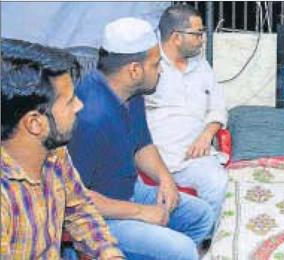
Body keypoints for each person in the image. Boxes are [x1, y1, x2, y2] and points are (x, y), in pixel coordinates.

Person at [67, 17, 214, 260]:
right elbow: (75, 199)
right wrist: (141, 212)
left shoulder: (131, 92)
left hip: (128, 190)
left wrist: (165, 179)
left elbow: (142, 145)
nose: (161, 70)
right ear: (134, 70)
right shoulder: (89, 116)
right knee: (182, 250)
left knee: (201, 216)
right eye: (156, 64)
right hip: (96, 215)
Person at [1, 38, 123, 259]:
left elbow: (80, 211)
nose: (80, 105)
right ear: (35, 123)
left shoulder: (53, 153)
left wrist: (109, 254)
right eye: (69, 101)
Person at [145, 4, 228, 216]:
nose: (202, 38)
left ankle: (207, 241)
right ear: (176, 37)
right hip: (159, 157)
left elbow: (218, 106)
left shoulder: (200, 64)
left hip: (196, 157)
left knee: (218, 183)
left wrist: (207, 134)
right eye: (197, 34)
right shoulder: (148, 66)